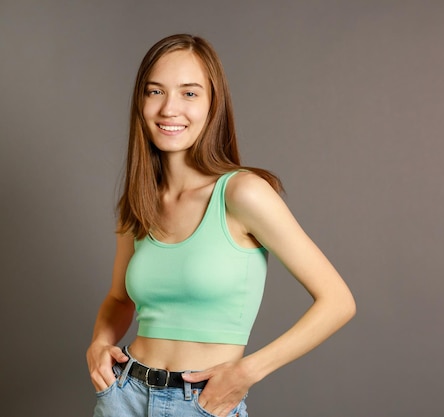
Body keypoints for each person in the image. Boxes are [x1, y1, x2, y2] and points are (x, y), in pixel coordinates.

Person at [86, 33, 356, 417]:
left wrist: (247, 372)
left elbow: (338, 301)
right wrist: (99, 342)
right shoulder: (139, 201)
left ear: (214, 104)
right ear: (141, 102)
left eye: (190, 93)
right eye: (155, 91)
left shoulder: (243, 193)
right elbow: (118, 299)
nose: (169, 109)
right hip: (123, 396)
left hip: (200, 406)